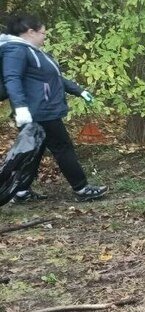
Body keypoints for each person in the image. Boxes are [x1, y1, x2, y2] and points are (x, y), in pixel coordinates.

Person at [0, 14, 108, 202]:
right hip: (38, 111)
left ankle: (20, 192)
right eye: (42, 33)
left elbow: (54, 77)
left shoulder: (31, 50)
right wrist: (21, 108)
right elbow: (12, 79)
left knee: (33, 151)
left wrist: (79, 91)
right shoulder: (16, 50)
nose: (45, 37)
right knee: (62, 147)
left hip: (42, 108)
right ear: (30, 32)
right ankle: (81, 188)